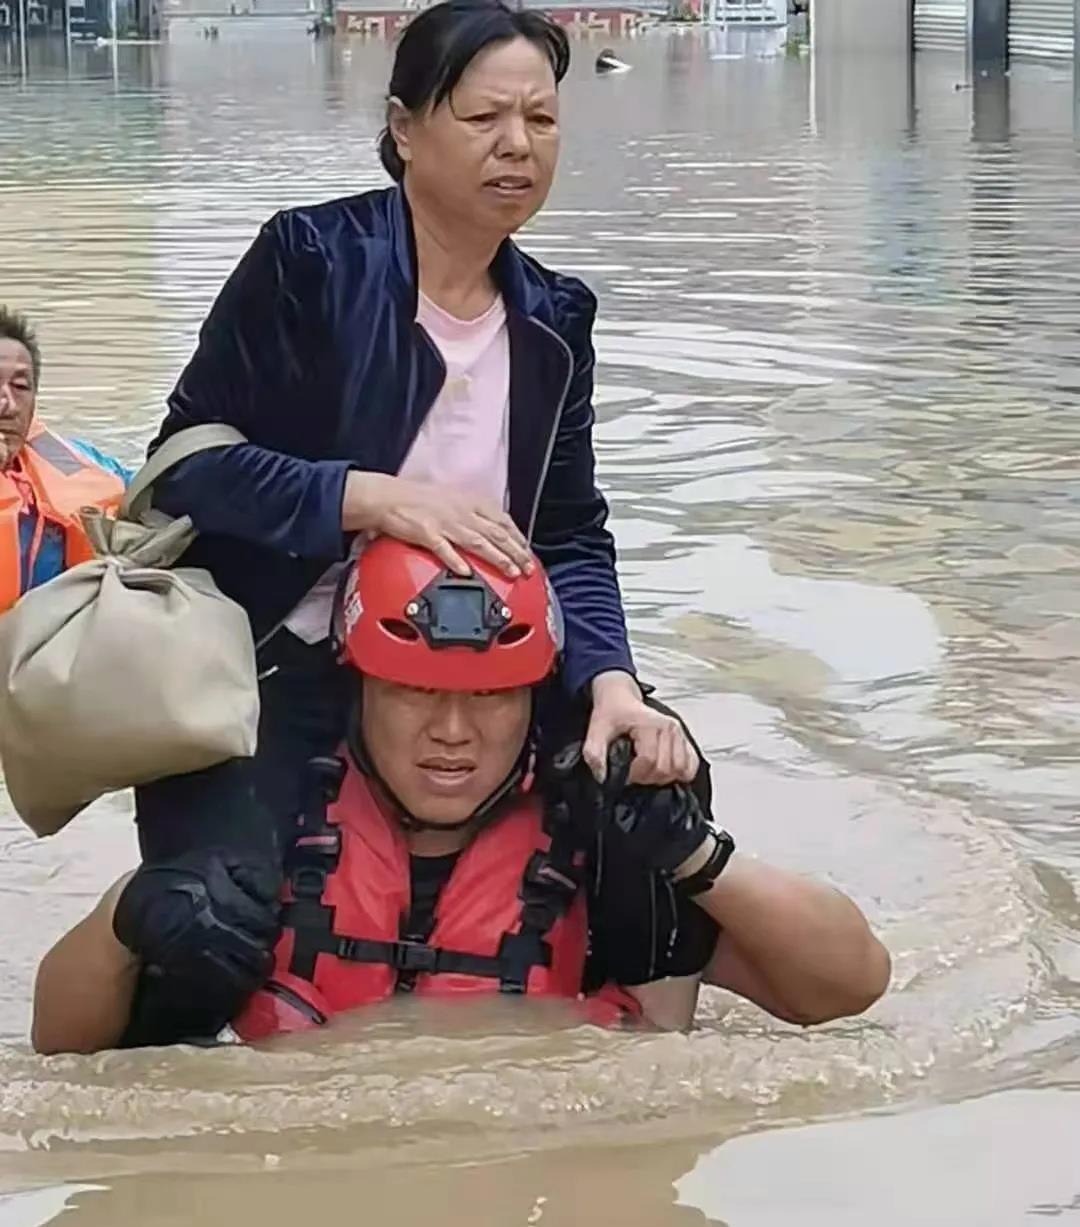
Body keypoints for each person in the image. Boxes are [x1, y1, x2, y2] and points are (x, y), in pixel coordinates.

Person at [132, 0, 697, 892]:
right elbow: (188, 471)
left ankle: (630, 1036)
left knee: (657, 804)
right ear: (404, 129)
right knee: (199, 921)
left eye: (541, 119)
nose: (518, 144)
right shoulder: (309, 258)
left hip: (485, 668)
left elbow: (570, 536)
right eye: (482, 118)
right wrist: (373, 497)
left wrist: (610, 683)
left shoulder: (556, 319)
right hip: (282, 657)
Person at [32, 540, 890, 1055]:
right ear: (358, 686)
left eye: (489, 697)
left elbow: (847, 986)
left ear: (533, 699)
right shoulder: (270, 824)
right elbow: (58, 1045)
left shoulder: (596, 842)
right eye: (414, 691)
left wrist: (696, 856)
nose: (452, 731)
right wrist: (128, 916)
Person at [0, 307, 129, 612]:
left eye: (20, 387)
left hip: (48, 640)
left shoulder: (63, 458)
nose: (6, 404)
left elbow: (154, 485)